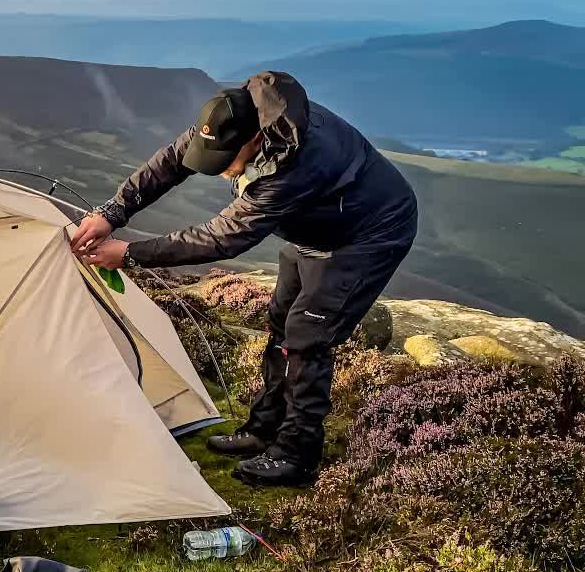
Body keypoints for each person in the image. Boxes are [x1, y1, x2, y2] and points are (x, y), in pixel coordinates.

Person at [72, 71, 417, 487]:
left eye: (225, 165)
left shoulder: (297, 165)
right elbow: (168, 163)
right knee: (280, 323)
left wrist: (128, 254)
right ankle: (262, 431)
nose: (219, 174)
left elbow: (222, 239)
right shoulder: (228, 118)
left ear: (254, 141)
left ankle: (296, 456)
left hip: (366, 235)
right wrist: (112, 213)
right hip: (315, 229)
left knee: (306, 336)